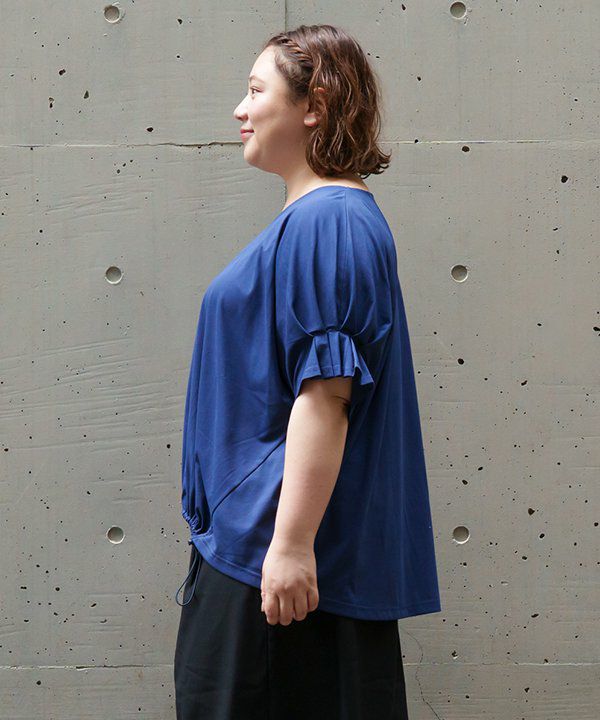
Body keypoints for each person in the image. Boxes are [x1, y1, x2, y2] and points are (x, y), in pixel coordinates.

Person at [173, 23, 441, 720]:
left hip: (275, 562)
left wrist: (290, 546)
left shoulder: (331, 221)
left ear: (314, 105)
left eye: (256, 90)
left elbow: (326, 396)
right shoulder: (318, 221)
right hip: (255, 551)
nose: (240, 109)